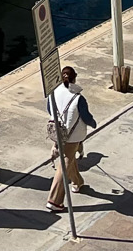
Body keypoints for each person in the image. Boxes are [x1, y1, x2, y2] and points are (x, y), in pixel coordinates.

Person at [46, 66, 95, 212]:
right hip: (73, 135)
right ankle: (54, 200)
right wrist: (93, 124)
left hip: (57, 131)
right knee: (65, 162)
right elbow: (86, 117)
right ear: (75, 77)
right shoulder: (78, 98)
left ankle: (77, 182)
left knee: (70, 157)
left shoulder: (53, 92)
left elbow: (49, 109)